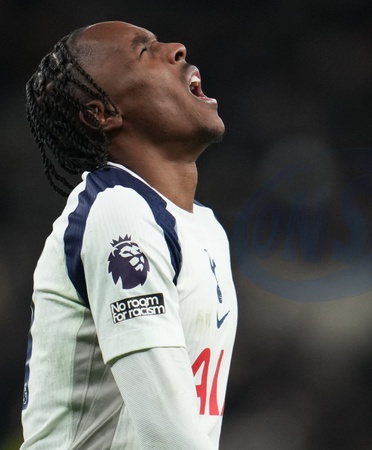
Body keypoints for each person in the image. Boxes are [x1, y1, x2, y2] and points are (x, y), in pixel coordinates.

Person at [21, 21, 237, 449]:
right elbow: (166, 435)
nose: (177, 48)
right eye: (145, 51)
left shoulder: (206, 228)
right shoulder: (119, 212)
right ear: (101, 113)